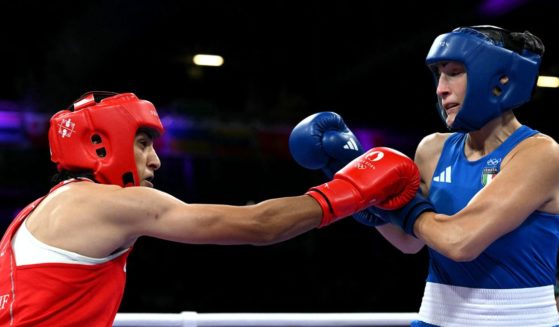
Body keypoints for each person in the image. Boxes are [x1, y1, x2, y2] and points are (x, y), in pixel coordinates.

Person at [0, 91, 419, 326]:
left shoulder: (37, 210)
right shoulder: (108, 205)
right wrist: (351, 189)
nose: (155, 161)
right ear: (100, 144)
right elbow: (258, 225)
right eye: (143, 143)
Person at [289, 25, 559, 326]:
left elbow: (461, 241)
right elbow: (409, 241)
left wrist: (399, 205)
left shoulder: (540, 154)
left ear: (500, 78)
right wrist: (360, 188)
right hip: (434, 318)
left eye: (455, 72)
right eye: (439, 75)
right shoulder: (433, 149)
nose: (441, 88)